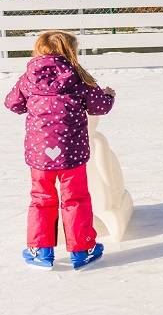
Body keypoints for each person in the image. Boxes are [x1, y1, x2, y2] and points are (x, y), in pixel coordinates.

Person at [4, 31, 116, 270]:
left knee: (41, 200)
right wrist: (109, 95)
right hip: (71, 154)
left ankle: (40, 250)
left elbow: (13, 103)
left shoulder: (28, 78)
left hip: (40, 154)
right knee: (75, 199)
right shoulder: (79, 77)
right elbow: (99, 106)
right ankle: (81, 249)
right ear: (70, 51)